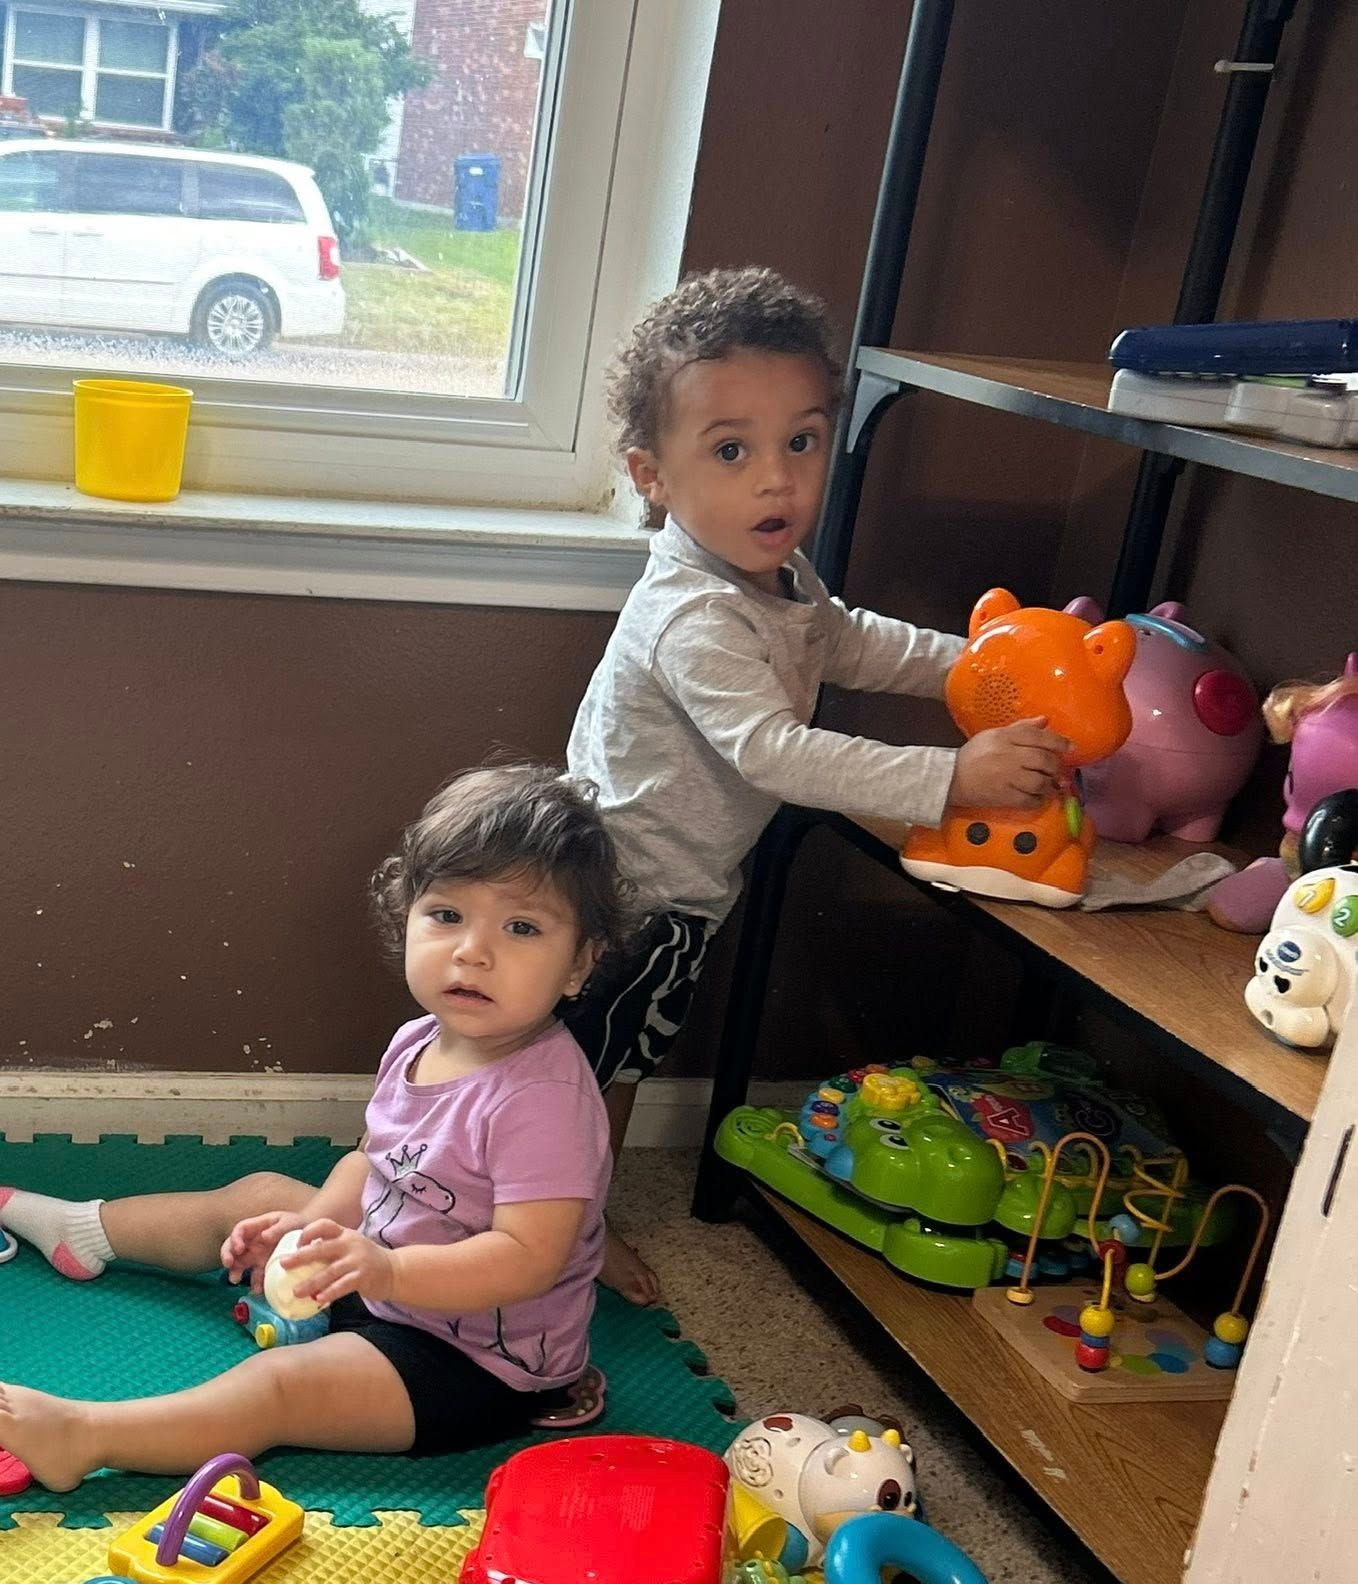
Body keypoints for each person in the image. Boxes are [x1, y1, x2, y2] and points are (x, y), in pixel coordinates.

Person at [566, 266, 1068, 1304]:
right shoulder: (696, 613)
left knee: (588, 1066)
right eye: (730, 449)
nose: (775, 481)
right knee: (593, 1074)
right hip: (634, 898)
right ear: (649, 473)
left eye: (799, 442)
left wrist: (974, 664)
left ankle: (536, 1215)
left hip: (657, 888)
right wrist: (952, 774)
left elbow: (847, 642)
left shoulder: (776, 579)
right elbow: (776, 752)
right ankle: (567, 1236)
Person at [0, 765, 626, 1491]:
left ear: (580, 963)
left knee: (279, 1387)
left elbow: (527, 1259)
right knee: (260, 1193)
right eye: (448, 915)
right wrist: (305, 1232)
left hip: (474, 1363)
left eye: (521, 927)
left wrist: (384, 1269)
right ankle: (84, 1230)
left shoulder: (542, 1100)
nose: (472, 952)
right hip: (381, 1269)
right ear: (407, 915)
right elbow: (374, 1163)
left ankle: (81, 1437)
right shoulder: (419, 1039)